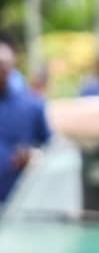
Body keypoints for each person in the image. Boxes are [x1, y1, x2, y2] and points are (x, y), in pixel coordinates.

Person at [0, 42, 51, 204]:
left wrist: (32, 155)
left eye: (3, 66)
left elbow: (48, 145)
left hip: (19, 200)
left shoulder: (31, 105)